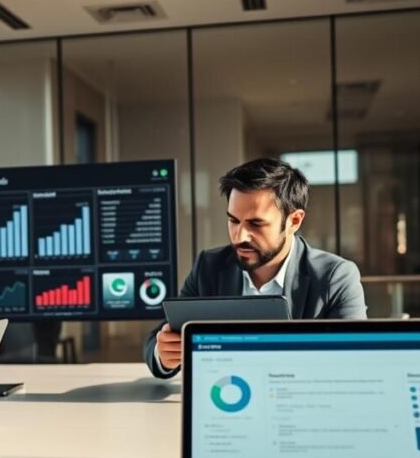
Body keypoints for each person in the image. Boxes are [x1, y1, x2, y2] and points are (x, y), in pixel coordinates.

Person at [144, 158, 367, 378]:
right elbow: (159, 339)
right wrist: (164, 354)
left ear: (294, 221)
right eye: (234, 221)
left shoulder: (336, 277)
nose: (240, 236)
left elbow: (354, 360)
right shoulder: (209, 267)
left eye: (256, 223)